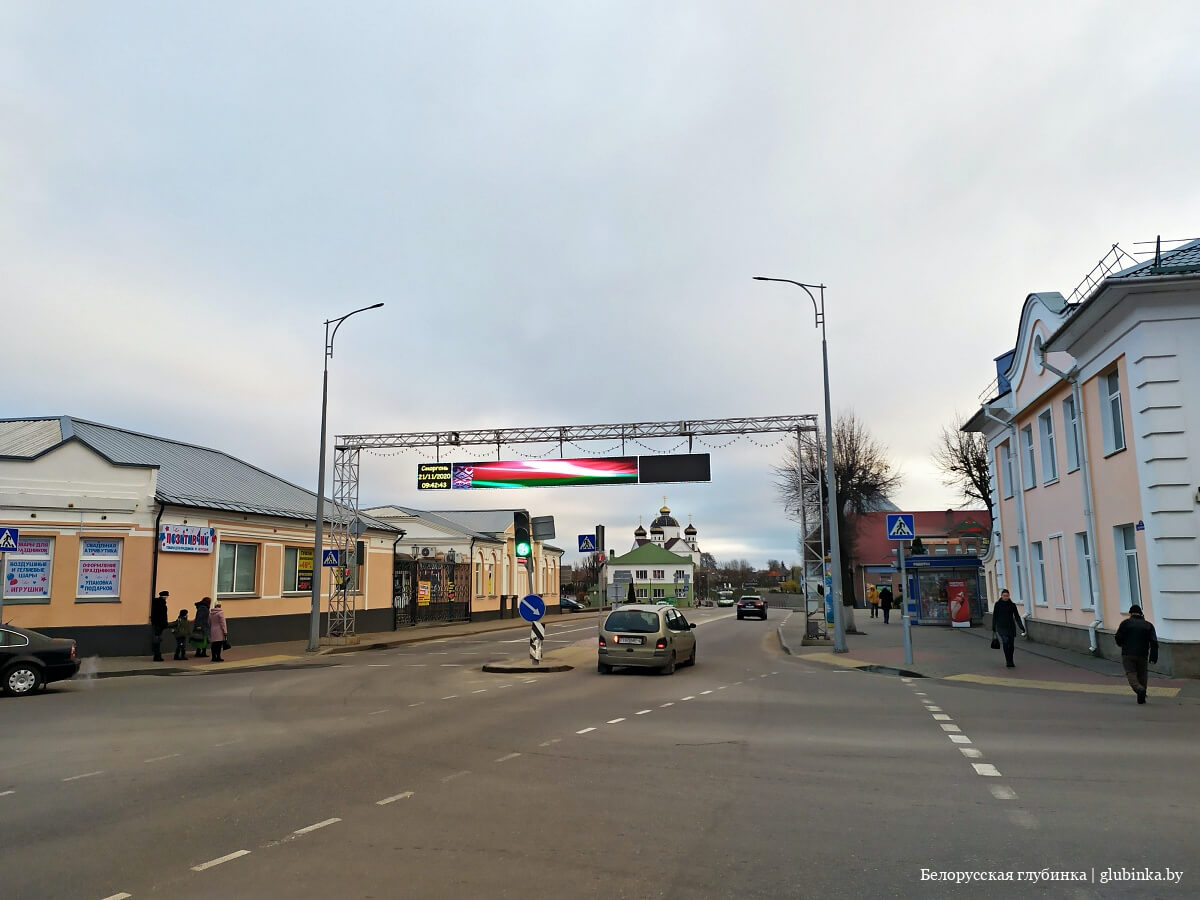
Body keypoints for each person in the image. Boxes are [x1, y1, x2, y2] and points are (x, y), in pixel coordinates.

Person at [1115, 604, 1158, 704]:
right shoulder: (1148, 625)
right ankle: (1142, 697)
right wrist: (1153, 656)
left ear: (1130, 613)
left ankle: (1139, 689)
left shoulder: (1125, 623)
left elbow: (1118, 637)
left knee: (1131, 672)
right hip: (1143, 654)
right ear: (1141, 614)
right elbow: (1154, 642)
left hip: (1127, 653)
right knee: (1142, 674)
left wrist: (1122, 644)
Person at [992, 588, 1026, 667]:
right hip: (1001, 626)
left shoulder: (1012, 605)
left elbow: (1017, 616)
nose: (1006, 597)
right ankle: (1007, 660)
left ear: (1009, 596)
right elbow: (995, 616)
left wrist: (1021, 626)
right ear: (1001, 596)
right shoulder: (997, 604)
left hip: (1010, 627)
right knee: (1005, 641)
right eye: (1004, 596)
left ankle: (1011, 660)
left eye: (1007, 596)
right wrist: (993, 627)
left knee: (1011, 644)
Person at [150, 590, 169, 661]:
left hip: (156, 624)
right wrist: (165, 624)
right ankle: (157, 656)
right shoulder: (162, 605)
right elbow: (163, 616)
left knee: (157, 639)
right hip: (160, 624)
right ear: (165, 597)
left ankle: (156, 655)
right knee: (158, 640)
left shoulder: (156, 603)